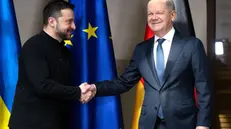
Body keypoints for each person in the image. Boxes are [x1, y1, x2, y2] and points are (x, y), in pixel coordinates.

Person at [82, 0, 212, 129]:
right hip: (149, 123)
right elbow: (123, 82)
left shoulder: (192, 45)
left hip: (183, 122)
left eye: (159, 13)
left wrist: (203, 123)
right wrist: (95, 88)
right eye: (150, 14)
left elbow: (204, 87)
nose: (154, 18)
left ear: (172, 15)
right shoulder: (141, 49)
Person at [8, 1, 93, 129]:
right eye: (68, 21)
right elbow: (43, 85)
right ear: (52, 22)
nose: (74, 26)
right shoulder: (34, 46)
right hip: (30, 125)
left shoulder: (65, 52)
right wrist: (77, 92)